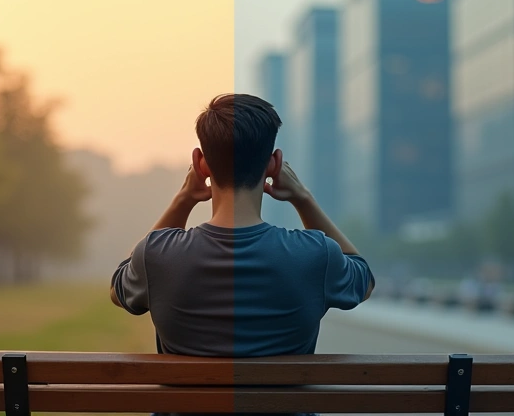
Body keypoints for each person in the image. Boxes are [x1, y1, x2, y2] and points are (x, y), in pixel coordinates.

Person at [110, 94, 374, 390]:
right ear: (274, 163)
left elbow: (118, 289)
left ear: (200, 163)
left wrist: (181, 201)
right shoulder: (315, 254)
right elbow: (363, 280)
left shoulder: (156, 254)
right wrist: (304, 199)